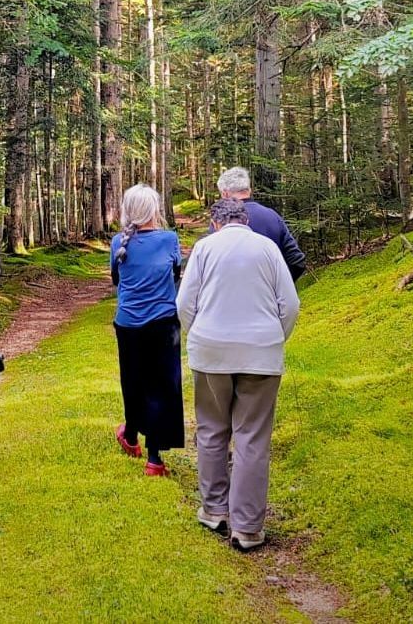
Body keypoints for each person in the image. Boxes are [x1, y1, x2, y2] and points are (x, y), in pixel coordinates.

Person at [177, 199, 300, 552]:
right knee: (252, 437)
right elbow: (289, 304)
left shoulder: (204, 248)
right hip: (261, 353)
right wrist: (275, 337)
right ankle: (247, 527)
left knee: (212, 429)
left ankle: (214, 510)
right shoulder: (268, 248)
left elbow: (184, 304)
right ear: (245, 221)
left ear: (216, 223)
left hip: (211, 351)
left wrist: (196, 336)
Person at [109, 183, 184, 477]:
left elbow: (117, 280)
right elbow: (175, 273)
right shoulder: (169, 240)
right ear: (154, 210)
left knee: (133, 381)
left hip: (128, 323)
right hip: (163, 324)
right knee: (161, 386)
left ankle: (130, 435)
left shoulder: (119, 242)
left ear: (128, 211)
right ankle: (154, 458)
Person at [213, 167, 306, 281]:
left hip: (230, 294)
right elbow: (297, 261)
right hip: (269, 296)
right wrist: (278, 286)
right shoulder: (272, 216)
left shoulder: (221, 221)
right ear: (249, 190)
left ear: (225, 194)